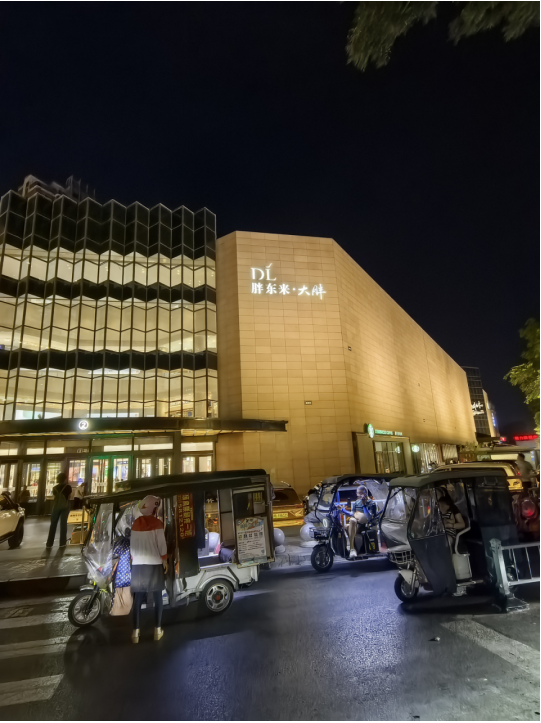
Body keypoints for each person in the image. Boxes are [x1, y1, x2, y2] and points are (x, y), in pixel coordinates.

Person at [130, 495, 168, 643]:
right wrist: (164, 560)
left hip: (138, 565)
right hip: (155, 564)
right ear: (153, 508)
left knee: (138, 599)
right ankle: (157, 630)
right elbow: (162, 545)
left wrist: (135, 560)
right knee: (158, 597)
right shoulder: (157, 523)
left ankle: (135, 633)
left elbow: (132, 548)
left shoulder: (135, 524)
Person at [342, 485, 377, 559]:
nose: (359, 495)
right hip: (356, 524)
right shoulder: (357, 502)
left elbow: (369, 517)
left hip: (364, 525)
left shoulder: (371, 503)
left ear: (366, 493)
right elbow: (352, 513)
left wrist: (364, 505)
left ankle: (352, 549)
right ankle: (353, 548)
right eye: (358, 493)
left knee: (352, 520)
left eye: (361, 493)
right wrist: (342, 510)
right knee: (346, 526)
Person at [46, 473, 72, 548]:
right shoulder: (68, 487)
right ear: (65, 479)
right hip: (65, 507)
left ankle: (49, 543)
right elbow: (69, 496)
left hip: (56, 507)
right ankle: (62, 543)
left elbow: (55, 496)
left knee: (53, 525)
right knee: (63, 524)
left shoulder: (54, 488)